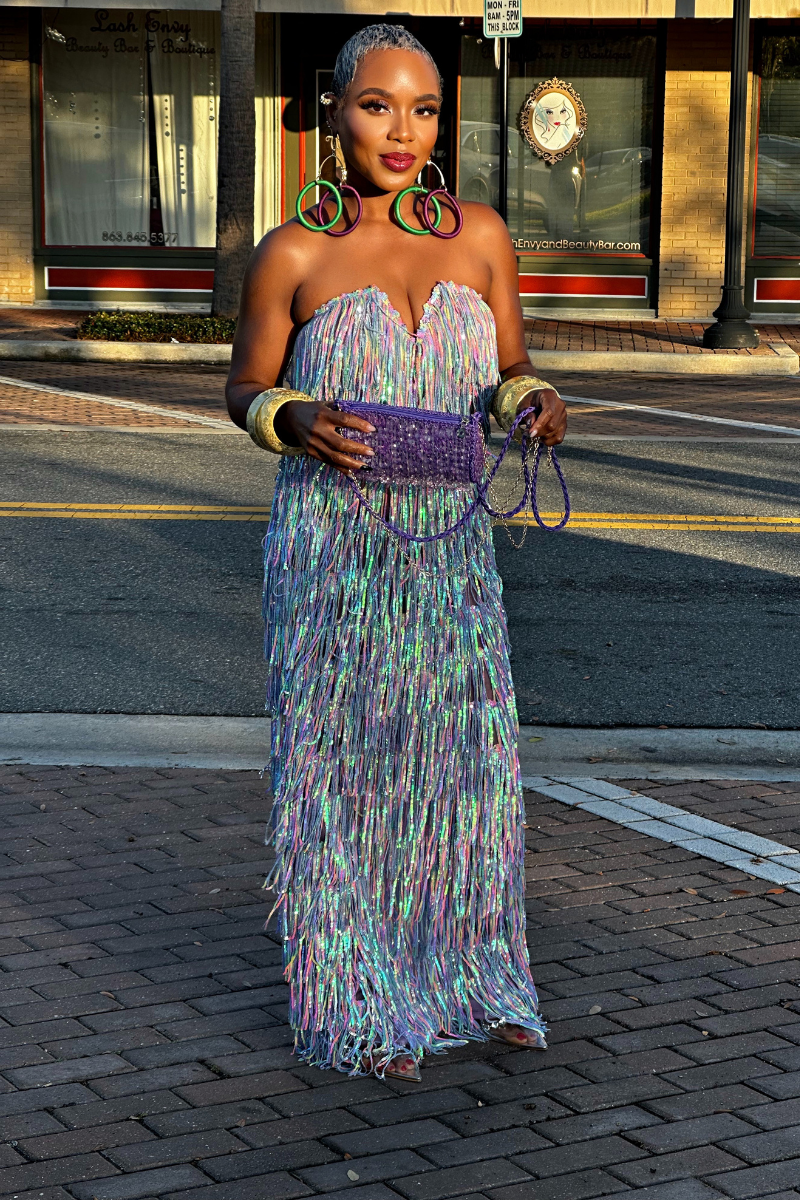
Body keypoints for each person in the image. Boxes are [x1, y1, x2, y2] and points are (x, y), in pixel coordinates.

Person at [226, 23, 567, 1082]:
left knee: (464, 766)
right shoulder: (292, 251)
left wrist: (531, 400)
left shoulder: (482, 236)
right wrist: (290, 417)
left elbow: (507, 365)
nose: (401, 130)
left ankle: (475, 979)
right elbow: (243, 385)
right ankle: (355, 993)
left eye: (422, 109)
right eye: (377, 105)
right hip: (332, 548)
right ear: (335, 111)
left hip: (449, 551)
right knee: (340, 769)